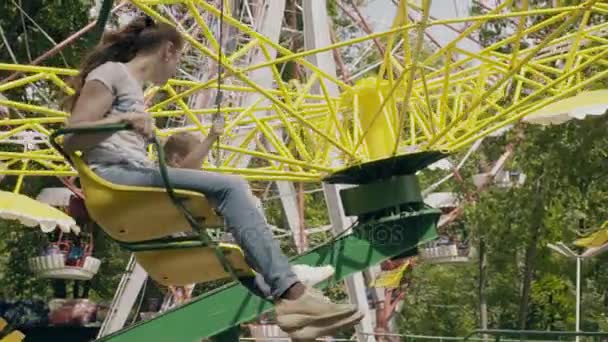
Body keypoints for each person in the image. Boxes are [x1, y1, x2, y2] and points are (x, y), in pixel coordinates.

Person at [62, 16, 362, 339]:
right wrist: (124, 121)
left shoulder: (133, 87)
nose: (176, 72)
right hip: (118, 179)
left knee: (228, 241)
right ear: (168, 50)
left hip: (134, 176)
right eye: (178, 61)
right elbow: (70, 137)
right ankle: (292, 292)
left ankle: (291, 304)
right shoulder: (112, 74)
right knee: (230, 186)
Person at [162, 125, 335, 296]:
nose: (201, 169)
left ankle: (283, 282)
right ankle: (286, 277)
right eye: (199, 161)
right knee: (242, 214)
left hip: (190, 250)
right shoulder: (171, 183)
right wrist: (211, 137)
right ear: (176, 160)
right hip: (200, 248)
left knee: (241, 241)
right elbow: (185, 171)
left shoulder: (163, 190)